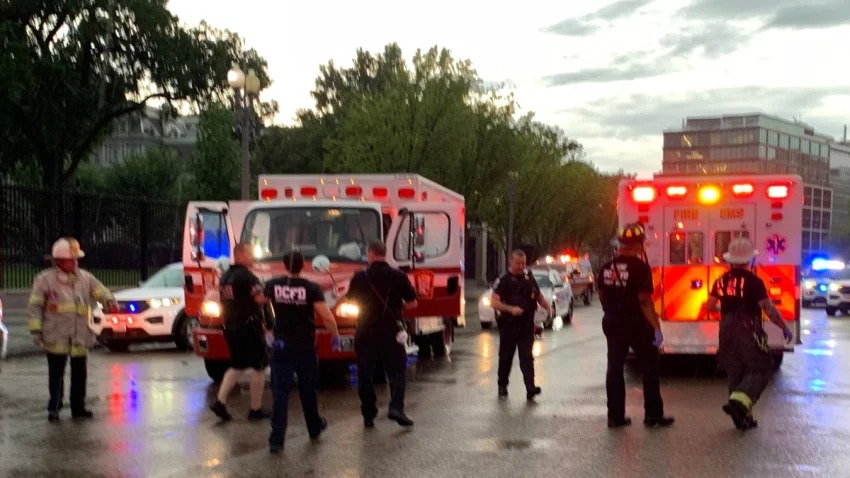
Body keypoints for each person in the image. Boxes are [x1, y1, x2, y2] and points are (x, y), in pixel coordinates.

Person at [706, 237, 794, 431]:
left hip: (725, 328)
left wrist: (728, 310)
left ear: (730, 261)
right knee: (761, 367)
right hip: (747, 328)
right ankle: (738, 405)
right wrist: (784, 327)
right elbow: (768, 309)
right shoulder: (754, 282)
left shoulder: (721, 280)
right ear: (750, 260)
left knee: (735, 370)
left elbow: (710, 306)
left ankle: (742, 418)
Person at [28, 238, 118, 422]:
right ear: (58, 261)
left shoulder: (85, 278)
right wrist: (36, 331)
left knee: (79, 372)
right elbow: (35, 307)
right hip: (56, 335)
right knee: (56, 373)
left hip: (80, 335)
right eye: (72, 259)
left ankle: (78, 407)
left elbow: (100, 290)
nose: (75, 262)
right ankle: (54, 407)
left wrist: (109, 301)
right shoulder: (45, 280)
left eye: (76, 259)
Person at [597, 223, 674, 428]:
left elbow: (602, 295)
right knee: (650, 367)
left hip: (613, 322)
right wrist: (656, 327)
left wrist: (613, 310)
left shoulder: (606, 267)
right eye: (642, 243)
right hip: (637, 324)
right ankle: (653, 415)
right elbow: (645, 301)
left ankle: (615, 416)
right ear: (637, 245)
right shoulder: (640, 268)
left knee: (614, 369)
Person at [263, 251, 342, 454]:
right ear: (303, 266)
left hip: (280, 344)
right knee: (307, 388)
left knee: (280, 392)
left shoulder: (273, 285)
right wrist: (335, 336)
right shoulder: (311, 288)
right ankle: (314, 427)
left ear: (284, 265)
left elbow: (260, 302)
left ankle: (276, 439)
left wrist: (266, 328)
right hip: (305, 345)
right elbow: (326, 316)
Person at [346, 241, 417, 428]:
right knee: (397, 371)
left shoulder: (360, 277)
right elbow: (413, 303)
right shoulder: (398, 276)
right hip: (391, 331)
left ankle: (369, 414)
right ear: (384, 254)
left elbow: (350, 301)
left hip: (366, 331)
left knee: (365, 374)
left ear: (370, 254)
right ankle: (396, 408)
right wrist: (396, 307)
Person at [209, 242, 270, 421]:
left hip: (231, 326)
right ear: (240, 254)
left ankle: (220, 402)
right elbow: (259, 298)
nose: (252, 257)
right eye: (250, 253)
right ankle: (255, 409)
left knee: (237, 365)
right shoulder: (247, 277)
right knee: (259, 366)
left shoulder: (225, 276)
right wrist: (272, 292)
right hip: (248, 327)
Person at [490, 250, 551, 401]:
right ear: (510, 262)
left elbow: (538, 296)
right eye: (518, 263)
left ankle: (530, 387)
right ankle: (502, 385)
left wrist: (547, 306)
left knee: (527, 357)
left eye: (523, 263)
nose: (521, 266)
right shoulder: (503, 280)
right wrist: (510, 309)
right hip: (509, 325)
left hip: (526, 325)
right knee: (506, 357)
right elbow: (494, 302)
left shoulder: (529, 278)